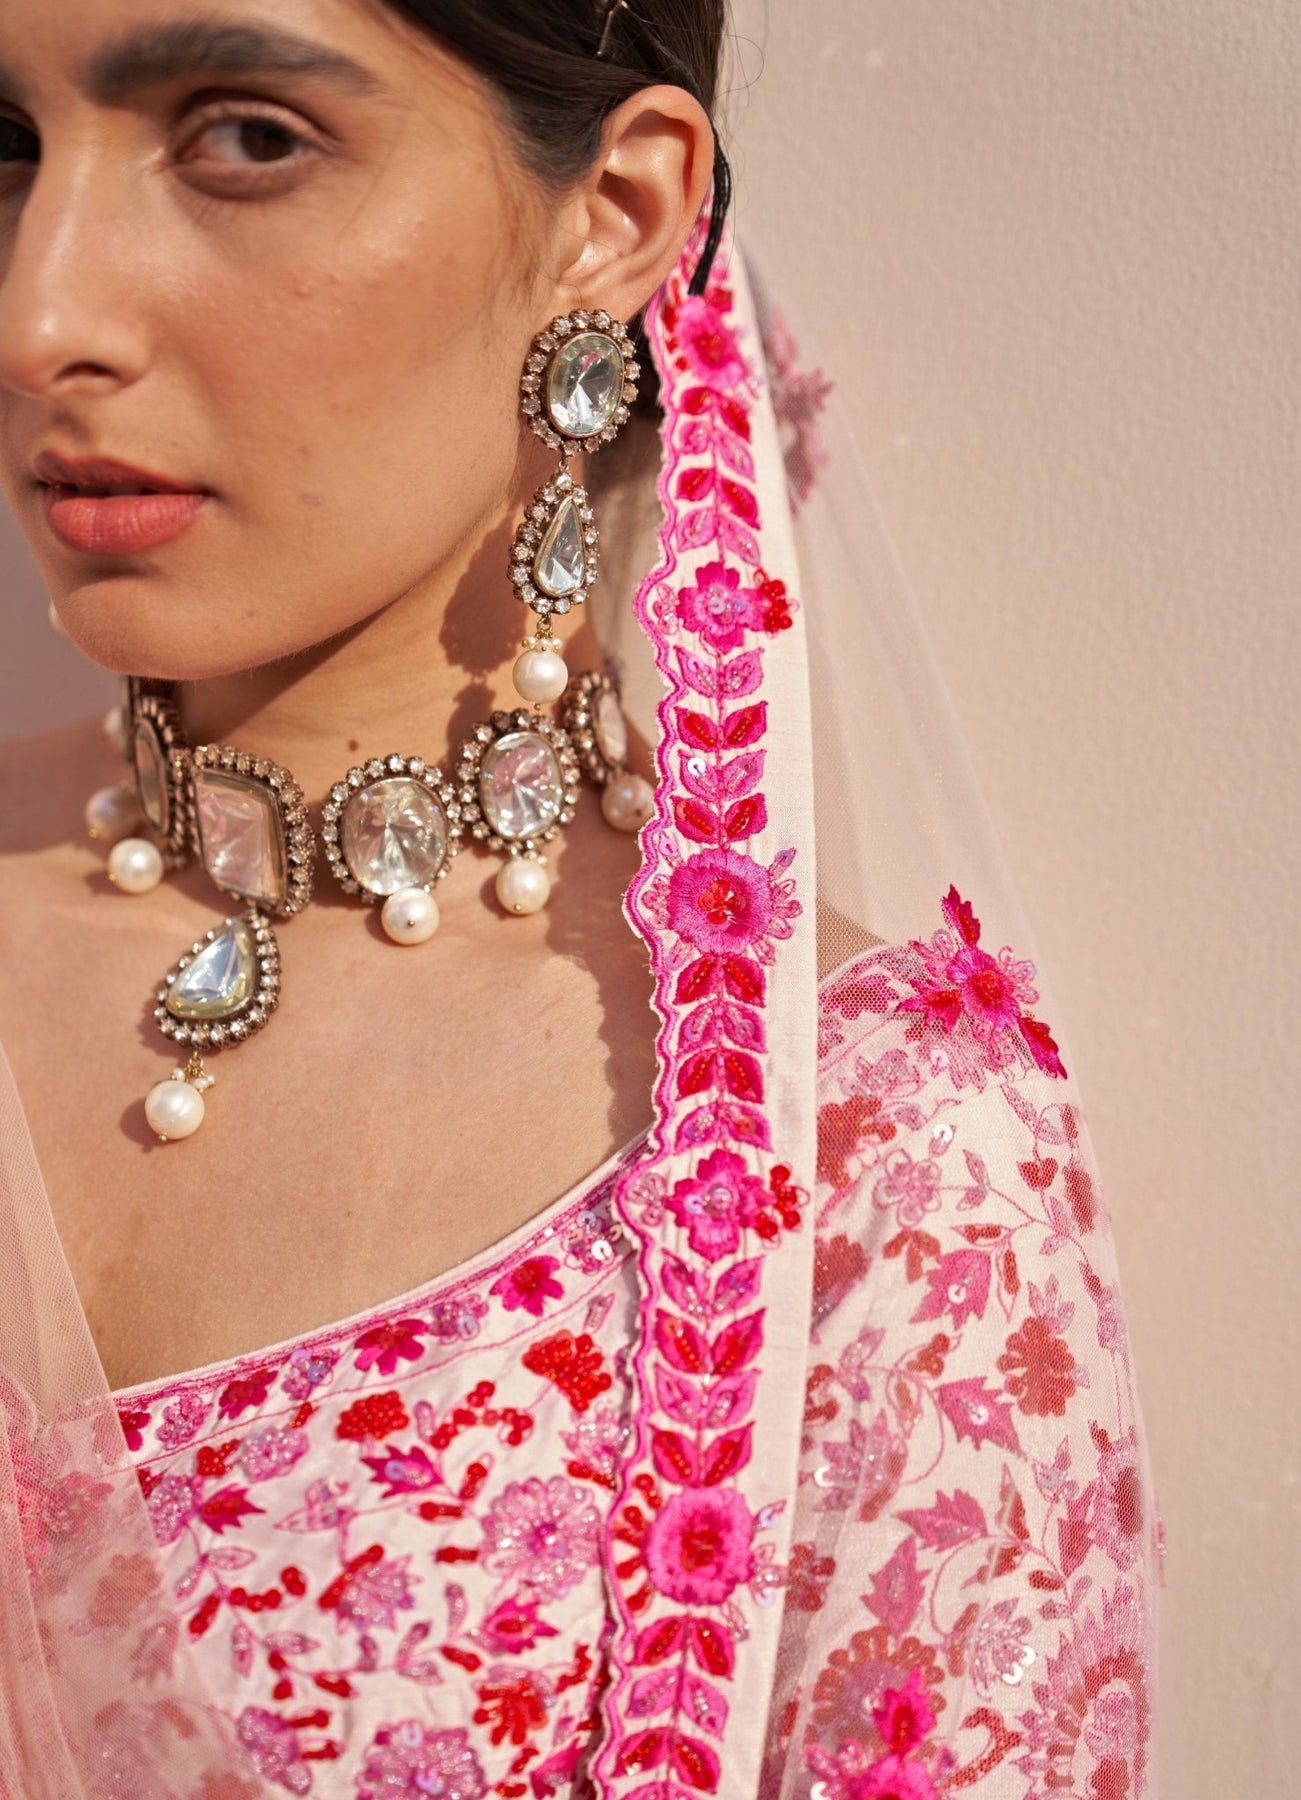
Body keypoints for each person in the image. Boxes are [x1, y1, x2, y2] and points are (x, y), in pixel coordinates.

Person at [0, 3, 1163, 1797]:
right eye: (4, 151)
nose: (42, 316)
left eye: (245, 139)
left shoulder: (872, 1162)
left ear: (616, 214)